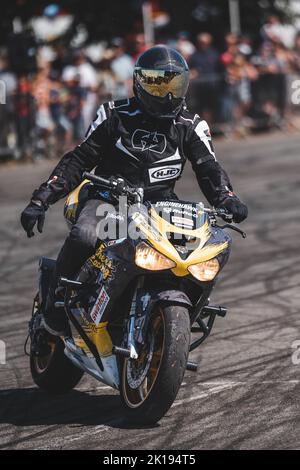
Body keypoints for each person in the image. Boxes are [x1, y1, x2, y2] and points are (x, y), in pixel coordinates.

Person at [20, 45, 248, 336]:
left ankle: (186, 306)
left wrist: (226, 197)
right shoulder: (114, 113)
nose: (167, 93)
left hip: (159, 206)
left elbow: (209, 168)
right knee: (85, 234)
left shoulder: (191, 125)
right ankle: (56, 300)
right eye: (158, 83)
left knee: (200, 249)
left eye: (173, 84)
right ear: (140, 82)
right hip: (107, 199)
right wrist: (41, 199)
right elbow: (78, 159)